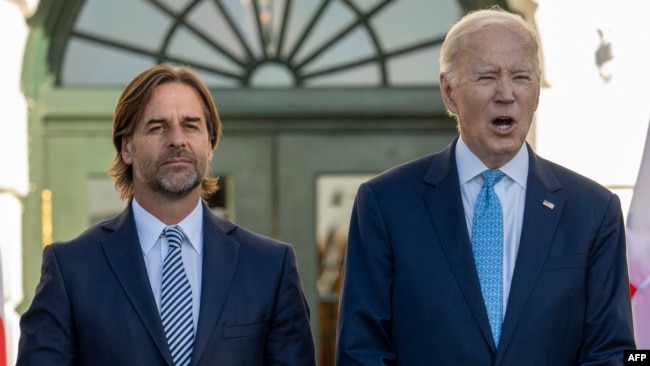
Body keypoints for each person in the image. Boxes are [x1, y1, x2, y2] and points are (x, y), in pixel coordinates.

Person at [336, 7, 635, 365]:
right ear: (449, 92)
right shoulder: (385, 204)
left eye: (521, 76)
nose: (506, 93)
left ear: (537, 91)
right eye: (487, 77)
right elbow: (362, 352)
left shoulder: (593, 210)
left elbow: (613, 354)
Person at [17, 65, 316, 365]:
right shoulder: (71, 270)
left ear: (210, 145)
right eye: (157, 126)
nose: (177, 139)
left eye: (190, 125)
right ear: (127, 148)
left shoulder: (270, 267)